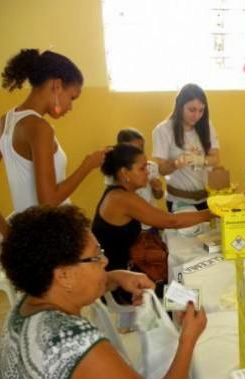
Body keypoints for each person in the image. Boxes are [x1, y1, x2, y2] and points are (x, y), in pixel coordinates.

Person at [0, 205, 214, 379]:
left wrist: (112, 279)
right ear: (63, 275)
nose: (105, 262)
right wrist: (187, 341)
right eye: (95, 257)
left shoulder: (25, 309)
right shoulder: (70, 344)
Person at [0, 49, 106, 236]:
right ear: (57, 86)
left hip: (27, 234)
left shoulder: (5, 121)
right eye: (72, 97)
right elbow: (48, 201)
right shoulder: (40, 128)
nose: (71, 107)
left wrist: (5, 230)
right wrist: (87, 166)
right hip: (52, 235)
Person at [93, 143, 212, 277]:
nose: (148, 172)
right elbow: (171, 221)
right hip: (114, 276)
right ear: (124, 172)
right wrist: (212, 212)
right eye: (142, 168)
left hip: (123, 269)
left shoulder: (120, 194)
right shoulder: (120, 198)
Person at [152, 83, 219, 212]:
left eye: (201, 110)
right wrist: (175, 164)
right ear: (179, 106)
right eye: (192, 110)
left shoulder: (206, 125)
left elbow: (216, 158)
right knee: (185, 232)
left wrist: (201, 160)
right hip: (179, 200)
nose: (197, 116)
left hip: (206, 198)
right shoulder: (163, 130)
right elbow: (161, 169)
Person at [116, 128, 164, 229]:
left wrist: (157, 189)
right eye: (134, 149)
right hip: (131, 227)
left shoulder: (152, 167)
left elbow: (159, 196)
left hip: (151, 223)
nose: (140, 152)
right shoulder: (117, 175)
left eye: (142, 148)